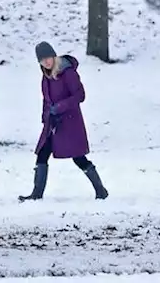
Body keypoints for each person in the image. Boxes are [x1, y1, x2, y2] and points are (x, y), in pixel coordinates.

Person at [18, 41, 109, 201]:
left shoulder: (67, 72)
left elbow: (80, 95)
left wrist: (60, 107)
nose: (46, 61)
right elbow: (46, 100)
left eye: (49, 57)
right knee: (42, 154)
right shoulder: (45, 76)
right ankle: (36, 195)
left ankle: (100, 190)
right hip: (52, 123)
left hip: (70, 122)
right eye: (42, 59)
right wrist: (45, 117)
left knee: (78, 158)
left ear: (54, 56)